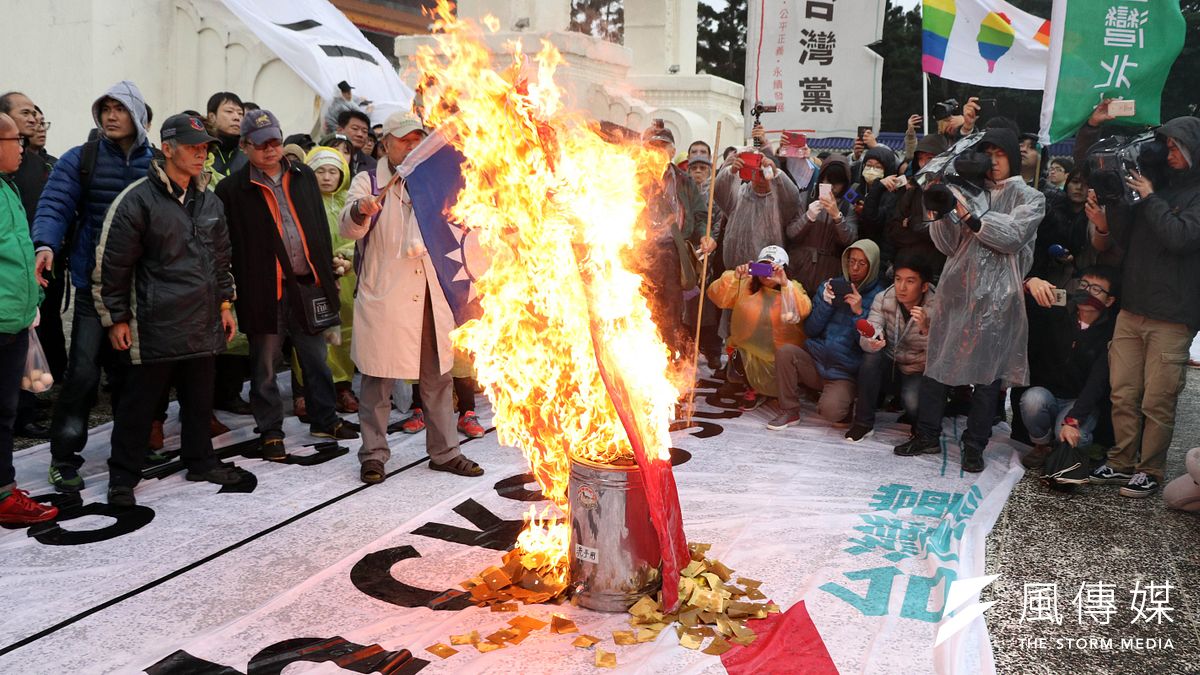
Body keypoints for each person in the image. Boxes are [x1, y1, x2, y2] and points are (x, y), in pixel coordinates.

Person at [92, 113, 248, 506]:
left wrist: (226, 304)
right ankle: (122, 477)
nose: (201, 155)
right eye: (193, 148)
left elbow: (221, 257)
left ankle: (201, 460)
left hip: (203, 317)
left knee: (200, 398)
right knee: (138, 403)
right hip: (154, 320)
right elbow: (113, 264)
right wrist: (116, 318)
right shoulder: (137, 199)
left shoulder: (209, 200)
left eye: (205, 148)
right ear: (168, 149)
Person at [340, 112, 484, 482]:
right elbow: (350, 224)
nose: (411, 145)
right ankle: (373, 454)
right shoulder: (368, 179)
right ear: (384, 142)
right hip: (386, 297)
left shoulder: (432, 182)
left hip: (431, 296)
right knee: (377, 382)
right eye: (404, 139)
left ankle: (445, 452)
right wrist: (362, 208)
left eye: (417, 139)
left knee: (438, 379)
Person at [893, 128, 1045, 473]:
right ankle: (927, 433)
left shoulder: (1031, 197)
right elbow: (947, 245)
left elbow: (1011, 237)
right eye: (985, 153)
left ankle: (974, 444)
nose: (991, 161)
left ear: (1013, 157)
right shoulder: (967, 191)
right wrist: (939, 204)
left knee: (987, 377)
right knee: (938, 363)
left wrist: (967, 213)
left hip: (998, 299)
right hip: (956, 292)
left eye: (999, 154)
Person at [31, 80, 155, 493]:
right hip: (92, 284)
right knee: (83, 373)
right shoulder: (79, 158)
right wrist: (45, 243)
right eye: (105, 109)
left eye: (119, 109)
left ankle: (132, 447)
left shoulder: (155, 162)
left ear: (137, 114)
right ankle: (64, 457)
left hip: (141, 286)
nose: (110, 116)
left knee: (133, 373)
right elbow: (55, 203)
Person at [215, 108, 358, 461]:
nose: (271, 150)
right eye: (262, 144)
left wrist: (327, 278)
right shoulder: (232, 188)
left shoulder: (303, 174)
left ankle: (325, 419)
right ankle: (271, 431)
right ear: (246, 146)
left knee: (316, 358)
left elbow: (319, 232)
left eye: (276, 142)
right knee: (263, 364)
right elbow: (225, 243)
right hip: (263, 289)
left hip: (307, 283)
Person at [1088, 116, 1200, 498]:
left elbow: (1180, 237)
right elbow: (1123, 236)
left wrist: (1151, 197)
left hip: (1174, 315)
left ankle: (1149, 469)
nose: (1167, 153)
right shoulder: (1155, 185)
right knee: (1123, 391)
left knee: (1158, 399)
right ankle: (1120, 461)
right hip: (1133, 307)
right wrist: (1117, 198)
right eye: (1165, 146)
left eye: (1175, 147)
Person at [0, 111, 58, 525]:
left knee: (5, 412)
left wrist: (32, 293)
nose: (21, 146)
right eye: (13, 139)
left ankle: (3, 489)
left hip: (15, 319)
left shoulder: (8, 187)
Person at [772, 239, 881, 428]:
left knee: (831, 412)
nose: (854, 268)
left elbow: (869, 344)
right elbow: (810, 330)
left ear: (872, 266)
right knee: (785, 352)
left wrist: (858, 312)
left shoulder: (879, 296)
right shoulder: (829, 286)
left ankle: (844, 403)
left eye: (862, 263)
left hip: (844, 371)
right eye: (851, 261)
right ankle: (789, 410)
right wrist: (825, 304)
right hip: (816, 361)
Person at [1018, 267, 1118, 470]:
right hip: (1049, 395)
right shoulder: (1060, 312)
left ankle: (1066, 451)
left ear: (1109, 301)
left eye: (1096, 290)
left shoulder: (1110, 334)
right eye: (1084, 285)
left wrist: (1074, 419)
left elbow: (1097, 382)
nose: (1087, 292)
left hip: (1080, 402)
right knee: (1032, 400)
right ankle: (1041, 447)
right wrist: (1031, 282)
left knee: (1073, 438)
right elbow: (1028, 301)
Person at [636, 125, 712, 362]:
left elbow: (700, 215)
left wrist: (704, 236)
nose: (658, 151)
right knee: (640, 311)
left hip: (671, 252)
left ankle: (670, 368)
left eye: (663, 146)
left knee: (670, 314)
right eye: (653, 145)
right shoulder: (634, 177)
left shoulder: (684, 181)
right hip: (640, 254)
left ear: (672, 150)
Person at [845, 252, 935, 442]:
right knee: (871, 357)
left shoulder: (937, 304)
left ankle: (919, 422)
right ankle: (863, 423)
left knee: (912, 402)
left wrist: (926, 329)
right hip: (891, 363)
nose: (901, 287)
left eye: (910, 281)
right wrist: (873, 339)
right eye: (898, 279)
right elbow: (871, 328)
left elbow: (942, 351)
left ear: (924, 286)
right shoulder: (884, 297)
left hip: (916, 368)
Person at [707, 245, 811, 410]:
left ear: (782, 269)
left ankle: (770, 390)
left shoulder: (792, 287)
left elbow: (804, 309)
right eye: (761, 267)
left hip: (778, 358)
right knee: (735, 354)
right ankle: (749, 386)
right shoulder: (747, 284)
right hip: (747, 352)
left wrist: (784, 283)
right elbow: (716, 295)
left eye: (771, 268)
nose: (765, 273)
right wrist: (734, 277)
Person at [302, 145, 359, 413]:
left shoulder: (349, 201)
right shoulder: (302, 200)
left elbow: (358, 237)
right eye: (320, 171)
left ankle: (342, 386)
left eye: (332, 171)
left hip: (346, 278)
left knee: (345, 332)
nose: (326, 177)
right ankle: (308, 389)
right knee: (314, 333)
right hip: (313, 278)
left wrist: (346, 256)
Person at [786, 154, 858, 295]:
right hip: (799, 267)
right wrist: (808, 217)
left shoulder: (848, 207)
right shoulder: (806, 197)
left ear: (845, 183)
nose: (832, 187)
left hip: (829, 272)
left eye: (837, 183)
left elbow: (850, 240)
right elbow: (791, 234)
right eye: (827, 181)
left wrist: (837, 217)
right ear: (821, 178)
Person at [886, 133, 948, 275]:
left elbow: (946, 234)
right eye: (920, 159)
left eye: (930, 158)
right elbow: (894, 231)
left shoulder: (951, 191)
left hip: (938, 269)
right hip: (909, 267)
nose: (924, 164)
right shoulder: (913, 192)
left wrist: (913, 224)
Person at [203, 92, 245, 186]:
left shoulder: (249, 154)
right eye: (229, 111)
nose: (237, 117)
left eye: (240, 113)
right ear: (212, 117)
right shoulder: (202, 153)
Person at [336, 109, 377, 176]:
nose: (360, 134)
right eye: (355, 129)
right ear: (340, 130)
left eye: (364, 131)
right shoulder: (324, 156)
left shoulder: (373, 166)